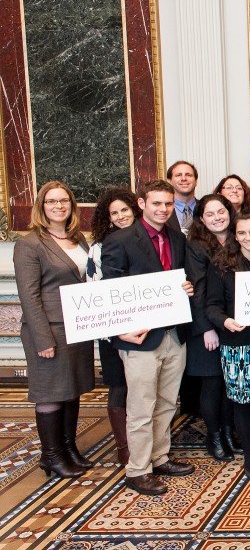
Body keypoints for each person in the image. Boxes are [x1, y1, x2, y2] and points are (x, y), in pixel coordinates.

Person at [103, 180, 195, 496]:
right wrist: (119, 331)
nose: (163, 209)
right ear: (142, 203)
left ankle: (159, 457)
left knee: (168, 402)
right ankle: (138, 470)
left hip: (173, 333)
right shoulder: (120, 240)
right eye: (156, 203)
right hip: (139, 338)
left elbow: (180, 278)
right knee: (142, 405)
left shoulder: (176, 238)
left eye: (168, 204)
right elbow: (110, 291)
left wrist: (187, 289)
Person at [15, 181, 95, 479]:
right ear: (41, 206)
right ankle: (51, 456)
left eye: (64, 201)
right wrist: (42, 338)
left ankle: (68, 447)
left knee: (71, 389)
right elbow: (29, 295)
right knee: (50, 393)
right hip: (48, 328)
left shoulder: (79, 240)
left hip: (76, 326)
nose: (59, 206)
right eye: (51, 201)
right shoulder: (30, 243)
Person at [206, 210, 250, 478]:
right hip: (238, 342)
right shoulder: (222, 264)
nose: (248, 237)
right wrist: (225, 321)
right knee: (244, 401)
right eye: (242, 232)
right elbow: (211, 306)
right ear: (235, 235)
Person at [87, 187, 141, 467]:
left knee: (141, 390)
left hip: (146, 330)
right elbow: (96, 295)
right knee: (119, 387)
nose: (121, 216)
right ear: (107, 218)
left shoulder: (147, 241)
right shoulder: (98, 248)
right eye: (114, 213)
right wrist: (115, 330)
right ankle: (124, 448)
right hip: (114, 332)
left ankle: (143, 445)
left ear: (135, 209)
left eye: (125, 210)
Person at [184, 194, 237, 463]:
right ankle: (214, 436)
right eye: (210, 214)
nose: (217, 217)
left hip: (232, 324)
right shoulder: (196, 246)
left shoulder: (238, 239)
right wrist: (207, 328)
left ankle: (229, 432)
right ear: (202, 219)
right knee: (212, 382)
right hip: (207, 327)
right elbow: (197, 289)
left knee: (229, 381)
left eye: (221, 212)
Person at [166, 160, 198, 234]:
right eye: (178, 175)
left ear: (196, 181)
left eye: (188, 175)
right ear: (169, 181)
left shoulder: (205, 208)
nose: (183, 179)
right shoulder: (162, 210)